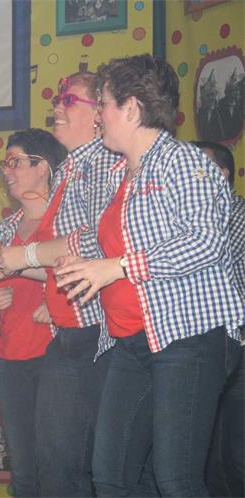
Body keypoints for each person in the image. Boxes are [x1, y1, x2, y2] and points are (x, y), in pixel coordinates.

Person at [55, 54, 244, 497]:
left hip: (188, 339)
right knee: (111, 477)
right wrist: (70, 261)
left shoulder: (184, 163)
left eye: (103, 104)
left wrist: (118, 266)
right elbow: (102, 241)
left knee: (176, 480)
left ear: (132, 108)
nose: (98, 116)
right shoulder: (119, 175)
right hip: (130, 343)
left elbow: (205, 241)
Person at [0, 72, 121, 496]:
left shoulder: (104, 166)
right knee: (49, 469)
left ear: (100, 112)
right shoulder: (71, 173)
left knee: (94, 471)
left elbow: (95, 242)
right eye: (57, 98)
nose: (57, 106)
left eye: (69, 99)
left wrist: (24, 259)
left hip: (91, 335)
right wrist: (10, 273)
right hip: (62, 340)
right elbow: (65, 261)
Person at [0, 128, 67, 497]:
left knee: (58, 467)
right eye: (5, 164)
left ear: (42, 167)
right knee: (24, 471)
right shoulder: (5, 228)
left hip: (57, 357)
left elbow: (85, 274)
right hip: (11, 362)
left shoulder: (65, 220)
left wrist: (56, 302)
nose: (6, 171)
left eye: (15, 162)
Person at [192, 141, 244, 498]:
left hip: (236, 342)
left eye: (197, 166)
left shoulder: (236, 215)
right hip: (209, 343)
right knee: (209, 456)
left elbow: (212, 264)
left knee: (234, 451)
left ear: (222, 173)